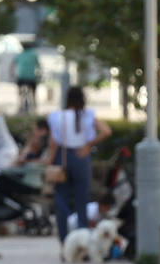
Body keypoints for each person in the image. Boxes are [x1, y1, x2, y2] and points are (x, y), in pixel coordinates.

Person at [45, 86, 111, 243]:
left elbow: (53, 143)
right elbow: (107, 131)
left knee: (62, 199)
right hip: (81, 157)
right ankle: (83, 240)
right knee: (82, 200)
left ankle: (64, 240)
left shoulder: (57, 116)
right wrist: (89, 145)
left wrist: (49, 163)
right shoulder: (88, 115)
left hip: (63, 156)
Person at [14, 45, 39, 114]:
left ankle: (21, 105)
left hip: (21, 77)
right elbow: (39, 65)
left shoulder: (19, 55)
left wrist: (13, 75)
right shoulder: (33, 55)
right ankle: (34, 108)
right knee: (33, 94)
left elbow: (12, 65)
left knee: (21, 93)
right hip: (31, 77)